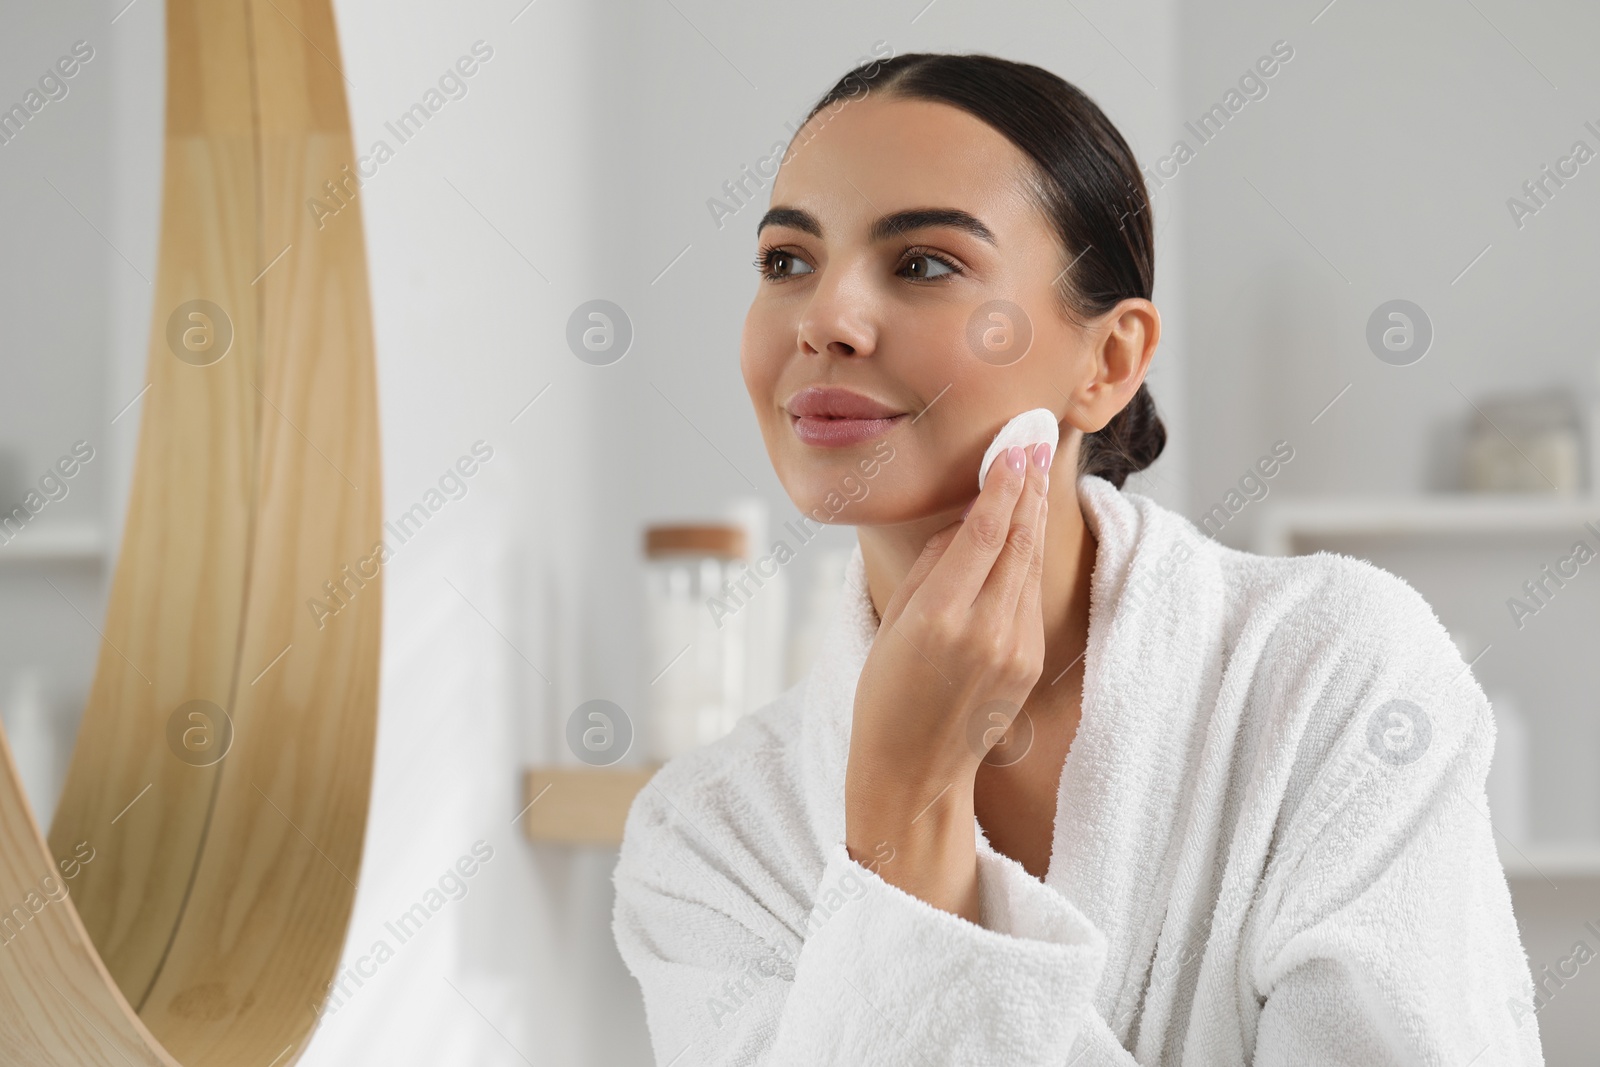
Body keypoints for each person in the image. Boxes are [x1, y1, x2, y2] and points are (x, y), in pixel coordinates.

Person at [612, 51, 1543, 1065]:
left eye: (922, 262)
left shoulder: (1333, 675)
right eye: (786, 261)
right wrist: (897, 811)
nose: (824, 318)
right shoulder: (707, 837)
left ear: (1107, 361)